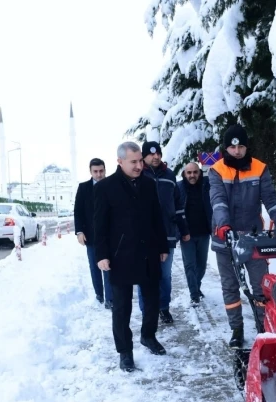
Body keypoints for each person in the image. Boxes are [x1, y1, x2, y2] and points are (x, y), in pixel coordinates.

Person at [208, 124, 276, 348]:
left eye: (241, 146)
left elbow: (270, 199)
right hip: (225, 239)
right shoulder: (216, 170)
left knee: (260, 286)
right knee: (230, 286)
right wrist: (224, 225)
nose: (237, 151)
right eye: (233, 147)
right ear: (226, 148)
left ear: (246, 147)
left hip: (254, 239)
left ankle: (263, 327)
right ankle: (236, 329)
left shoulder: (259, 168)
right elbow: (218, 200)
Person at [94, 141, 170, 372]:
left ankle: (148, 336)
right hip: (120, 255)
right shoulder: (106, 187)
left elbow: (157, 217)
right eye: (134, 162)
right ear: (120, 162)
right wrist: (102, 255)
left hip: (148, 252)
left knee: (152, 300)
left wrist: (163, 246)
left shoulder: (148, 184)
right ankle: (125, 351)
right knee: (122, 307)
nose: (139, 165)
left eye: (140, 161)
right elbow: (100, 225)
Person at [138, 141, 190, 324]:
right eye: (151, 154)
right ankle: (146, 311)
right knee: (144, 275)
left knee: (164, 276)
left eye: (158, 153)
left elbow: (178, 206)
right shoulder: (138, 174)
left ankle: (163, 308)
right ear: (144, 157)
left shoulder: (169, 176)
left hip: (167, 235)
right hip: (144, 237)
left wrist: (184, 230)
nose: (156, 157)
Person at [74, 158, 112, 309]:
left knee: (108, 267)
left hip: (109, 236)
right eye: (95, 171)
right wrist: (79, 232)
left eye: (101, 171)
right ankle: (99, 294)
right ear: (90, 172)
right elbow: (78, 212)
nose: (99, 174)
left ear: (105, 170)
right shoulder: (83, 188)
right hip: (90, 236)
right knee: (94, 266)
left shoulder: (111, 186)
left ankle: (110, 298)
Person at [177, 162, 212, 305]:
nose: (192, 175)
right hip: (187, 234)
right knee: (190, 265)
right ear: (184, 174)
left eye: (195, 172)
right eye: (189, 173)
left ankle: (196, 286)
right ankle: (194, 294)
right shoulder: (179, 187)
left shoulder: (206, 185)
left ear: (200, 173)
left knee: (202, 265)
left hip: (204, 233)